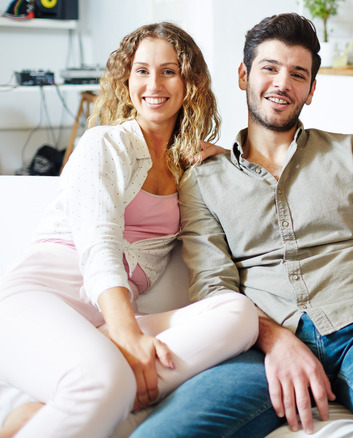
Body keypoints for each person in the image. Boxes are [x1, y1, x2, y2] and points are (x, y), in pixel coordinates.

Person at [130, 13, 353, 438]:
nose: (282, 84)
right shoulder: (203, 180)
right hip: (258, 348)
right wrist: (276, 342)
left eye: (298, 74)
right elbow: (213, 288)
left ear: (311, 90)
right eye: (269, 68)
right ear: (244, 75)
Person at [0, 22, 259, 438]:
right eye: (141, 70)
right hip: (39, 300)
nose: (153, 83)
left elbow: (273, 167)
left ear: (189, 82)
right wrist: (126, 333)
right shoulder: (104, 144)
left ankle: (48, 413)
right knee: (107, 382)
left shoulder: (191, 166)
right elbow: (99, 245)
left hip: (102, 325)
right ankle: (102, 395)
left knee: (240, 316)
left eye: (168, 71)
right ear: (126, 79)